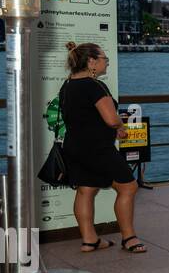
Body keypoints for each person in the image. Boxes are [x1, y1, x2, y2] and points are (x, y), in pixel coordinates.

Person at [60, 42, 145, 253]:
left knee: (86, 190)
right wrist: (119, 125)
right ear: (91, 62)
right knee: (128, 187)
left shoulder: (68, 84)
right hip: (97, 148)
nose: (106, 62)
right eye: (104, 59)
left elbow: (84, 117)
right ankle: (129, 238)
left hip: (74, 146)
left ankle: (90, 240)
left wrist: (111, 128)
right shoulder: (94, 85)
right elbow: (110, 118)